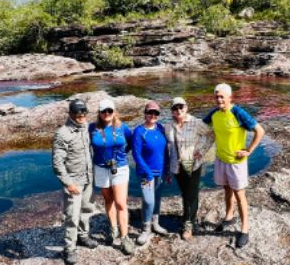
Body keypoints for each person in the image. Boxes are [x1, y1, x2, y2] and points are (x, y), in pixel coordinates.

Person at [203, 83, 265, 248]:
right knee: (226, 188)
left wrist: (249, 150)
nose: (219, 99)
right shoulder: (214, 114)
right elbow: (201, 126)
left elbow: (260, 131)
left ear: (230, 98)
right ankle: (229, 217)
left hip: (236, 162)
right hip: (221, 159)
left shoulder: (238, 113)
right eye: (216, 96)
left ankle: (245, 229)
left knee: (239, 194)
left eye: (222, 96)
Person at [51, 98, 98, 265]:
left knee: (87, 209)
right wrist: (68, 183)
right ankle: (69, 248)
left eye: (84, 112)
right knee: (72, 215)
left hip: (88, 178)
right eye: (78, 112)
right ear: (70, 113)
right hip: (74, 182)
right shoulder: (62, 133)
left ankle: (83, 236)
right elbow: (57, 164)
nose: (81, 115)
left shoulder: (86, 127)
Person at [89, 96, 135, 256]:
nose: (107, 113)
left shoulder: (123, 127)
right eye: (104, 111)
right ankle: (113, 228)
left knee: (121, 203)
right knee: (108, 200)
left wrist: (122, 155)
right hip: (101, 168)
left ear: (114, 111)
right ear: (99, 113)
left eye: (110, 110)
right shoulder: (92, 128)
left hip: (120, 168)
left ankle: (124, 238)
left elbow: (131, 142)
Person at [165, 96, 214, 240]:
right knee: (185, 193)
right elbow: (165, 146)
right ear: (172, 111)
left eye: (181, 107)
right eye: (175, 108)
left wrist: (201, 150)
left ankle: (188, 224)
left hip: (192, 164)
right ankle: (188, 216)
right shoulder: (168, 126)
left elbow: (211, 135)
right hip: (177, 166)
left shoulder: (195, 122)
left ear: (186, 108)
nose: (178, 110)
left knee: (191, 194)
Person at [132, 100, 170, 246]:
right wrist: (147, 172)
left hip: (160, 171)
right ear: (145, 114)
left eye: (156, 113)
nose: (153, 115)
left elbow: (165, 151)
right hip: (145, 173)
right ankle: (145, 228)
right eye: (150, 112)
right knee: (149, 200)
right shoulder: (139, 131)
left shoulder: (160, 128)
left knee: (157, 198)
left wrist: (167, 170)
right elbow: (136, 154)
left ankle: (156, 223)